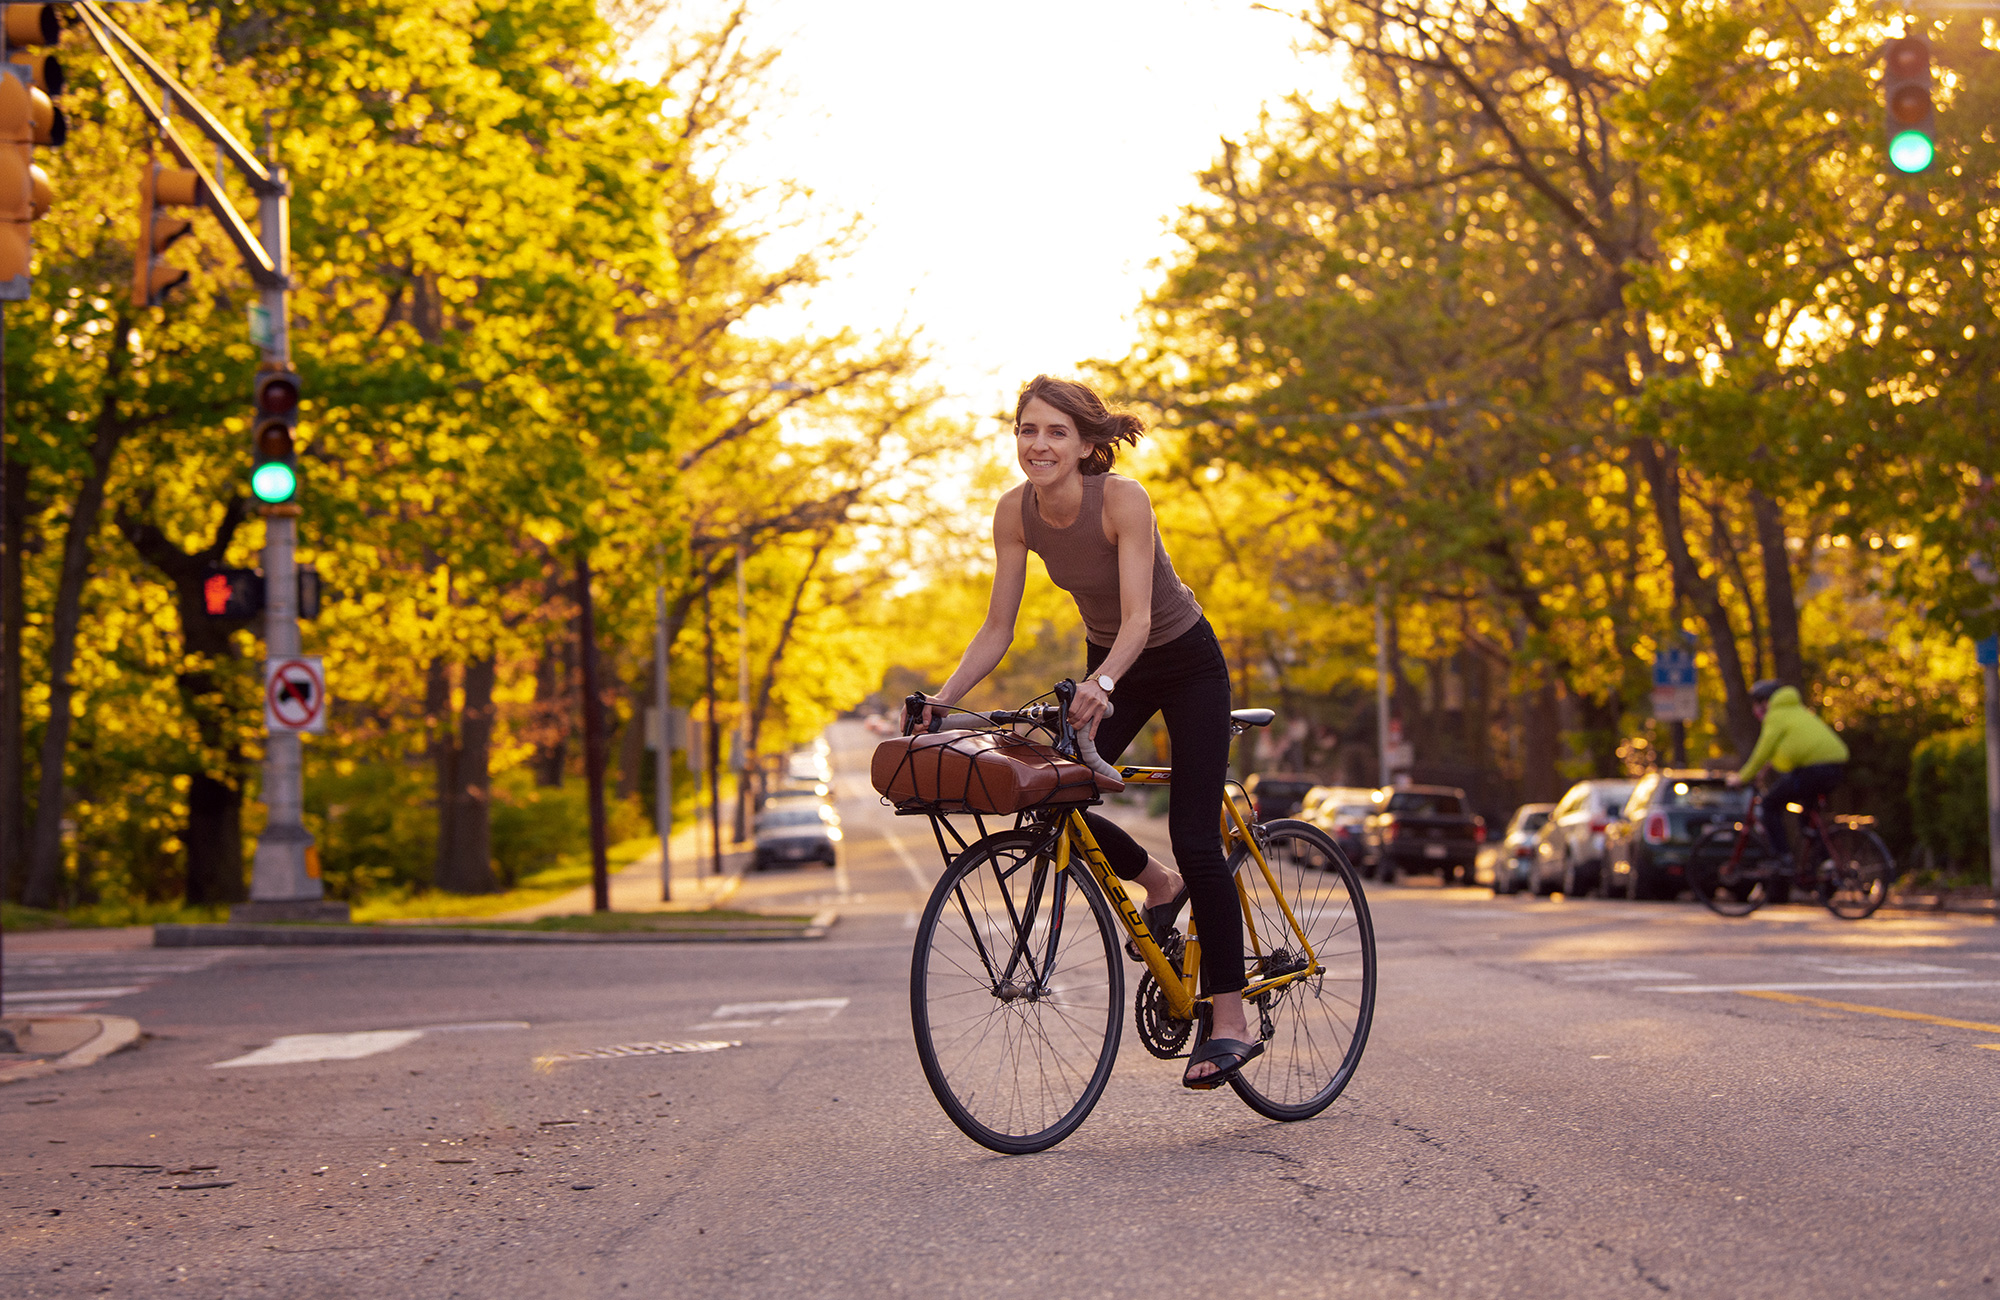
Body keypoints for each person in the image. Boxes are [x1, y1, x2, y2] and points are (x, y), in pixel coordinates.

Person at [920, 374, 1254, 1090]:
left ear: (1087, 445)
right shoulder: (1015, 514)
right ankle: (1154, 884)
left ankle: (1231, 1019)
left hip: (1183, 659)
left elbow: (1139, 618)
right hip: (1111, 662)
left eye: (1055, 432)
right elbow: (997, 628)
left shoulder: (1123, 500)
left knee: (1197, 839)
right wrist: (946, 699)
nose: (1038, 445)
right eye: (1027, 430)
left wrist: (1103, 687)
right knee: (1053, 794)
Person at [1728, 680, 1850, 868]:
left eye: (1756, 704)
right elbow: (1785, 749)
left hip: (1812, 770)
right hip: (1834, 768)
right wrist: (1764, 771)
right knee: (1807, 817)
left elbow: (1764, 749)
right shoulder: (1797, 711)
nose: (1755, 710)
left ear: (1765, 702)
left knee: (1769, 804)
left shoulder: (1776, 715)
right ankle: (1825, 864)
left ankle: (1782, 857)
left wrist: (1743, 777)